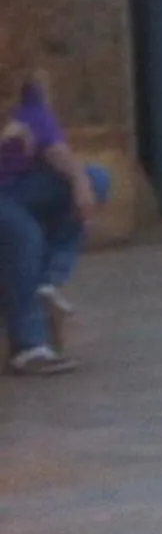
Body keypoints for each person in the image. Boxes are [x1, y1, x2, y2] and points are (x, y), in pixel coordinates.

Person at [0, 71, 106, 376]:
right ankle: (29, 347)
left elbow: (51, 145)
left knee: (95, 179)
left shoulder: (27, 97)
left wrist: (78, 179)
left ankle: (45, 280)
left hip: (14, 189)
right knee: (23, 233)